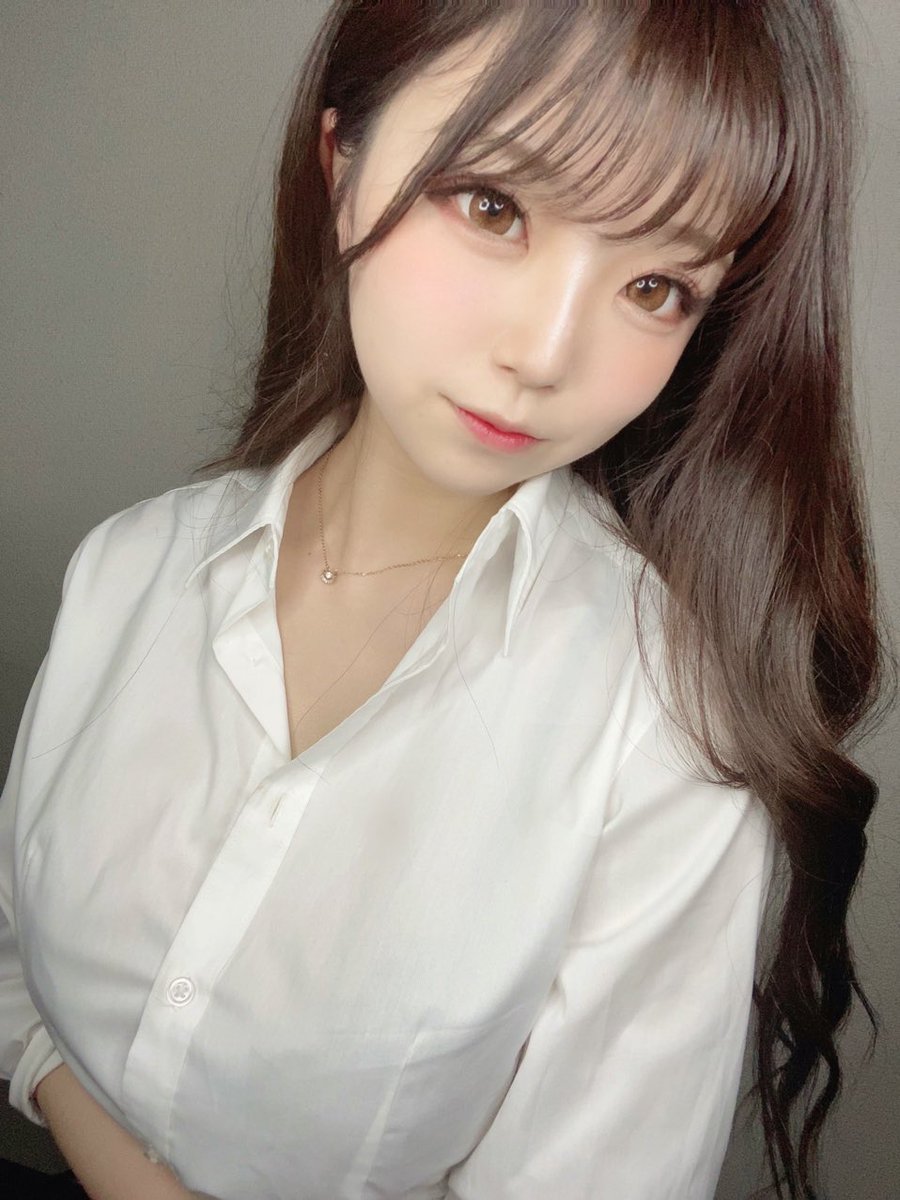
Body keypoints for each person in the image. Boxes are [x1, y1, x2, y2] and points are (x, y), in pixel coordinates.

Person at [1, 2, 894, 1198]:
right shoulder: (131, 567)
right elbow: (14, 960)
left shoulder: (663, 735)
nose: (546, 352)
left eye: (656, 286)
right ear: (342, 167)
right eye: (492, 206)